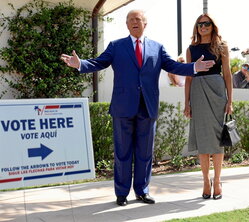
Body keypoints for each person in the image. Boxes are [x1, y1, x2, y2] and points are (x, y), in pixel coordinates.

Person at [61, 9, 215, 206]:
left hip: (147, 107)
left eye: (138, 19)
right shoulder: (116, 46)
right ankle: (122, 194)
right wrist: (80, 64)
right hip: (123, 108)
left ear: (145, 24)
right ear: (127, 25)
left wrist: (194, 67)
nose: (134, 22)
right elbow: (99, 62)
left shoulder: (157, 47)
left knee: (145, 153)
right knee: (122, 153)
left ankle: (142, 191)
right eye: (131, 20)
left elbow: (172, 66)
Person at [184, 14, 233, 200]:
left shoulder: (222, 46)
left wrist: (230, 101)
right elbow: (188, 77)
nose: (203, 26)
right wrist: (187, 102)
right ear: (196, 27)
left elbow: (227, 75)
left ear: (213, 26)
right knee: (203, 139)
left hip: (217, 92)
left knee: (218, 140)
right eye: (200, 24)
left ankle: (218, 180)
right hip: (197, 92)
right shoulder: (191, 49)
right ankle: (206, 181)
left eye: (207, 23)